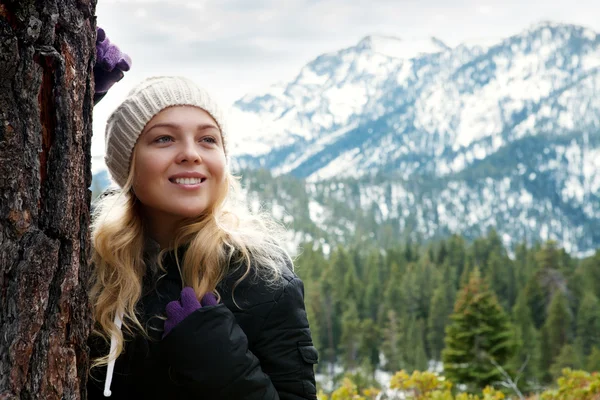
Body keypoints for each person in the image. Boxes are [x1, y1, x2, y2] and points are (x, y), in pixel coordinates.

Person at [86, 75, 319, 399]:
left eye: (208, 140)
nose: (191, 154)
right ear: (127, 161)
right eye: (165, 139)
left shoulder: (261, 278)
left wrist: (222, 364)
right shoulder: (90, 263)